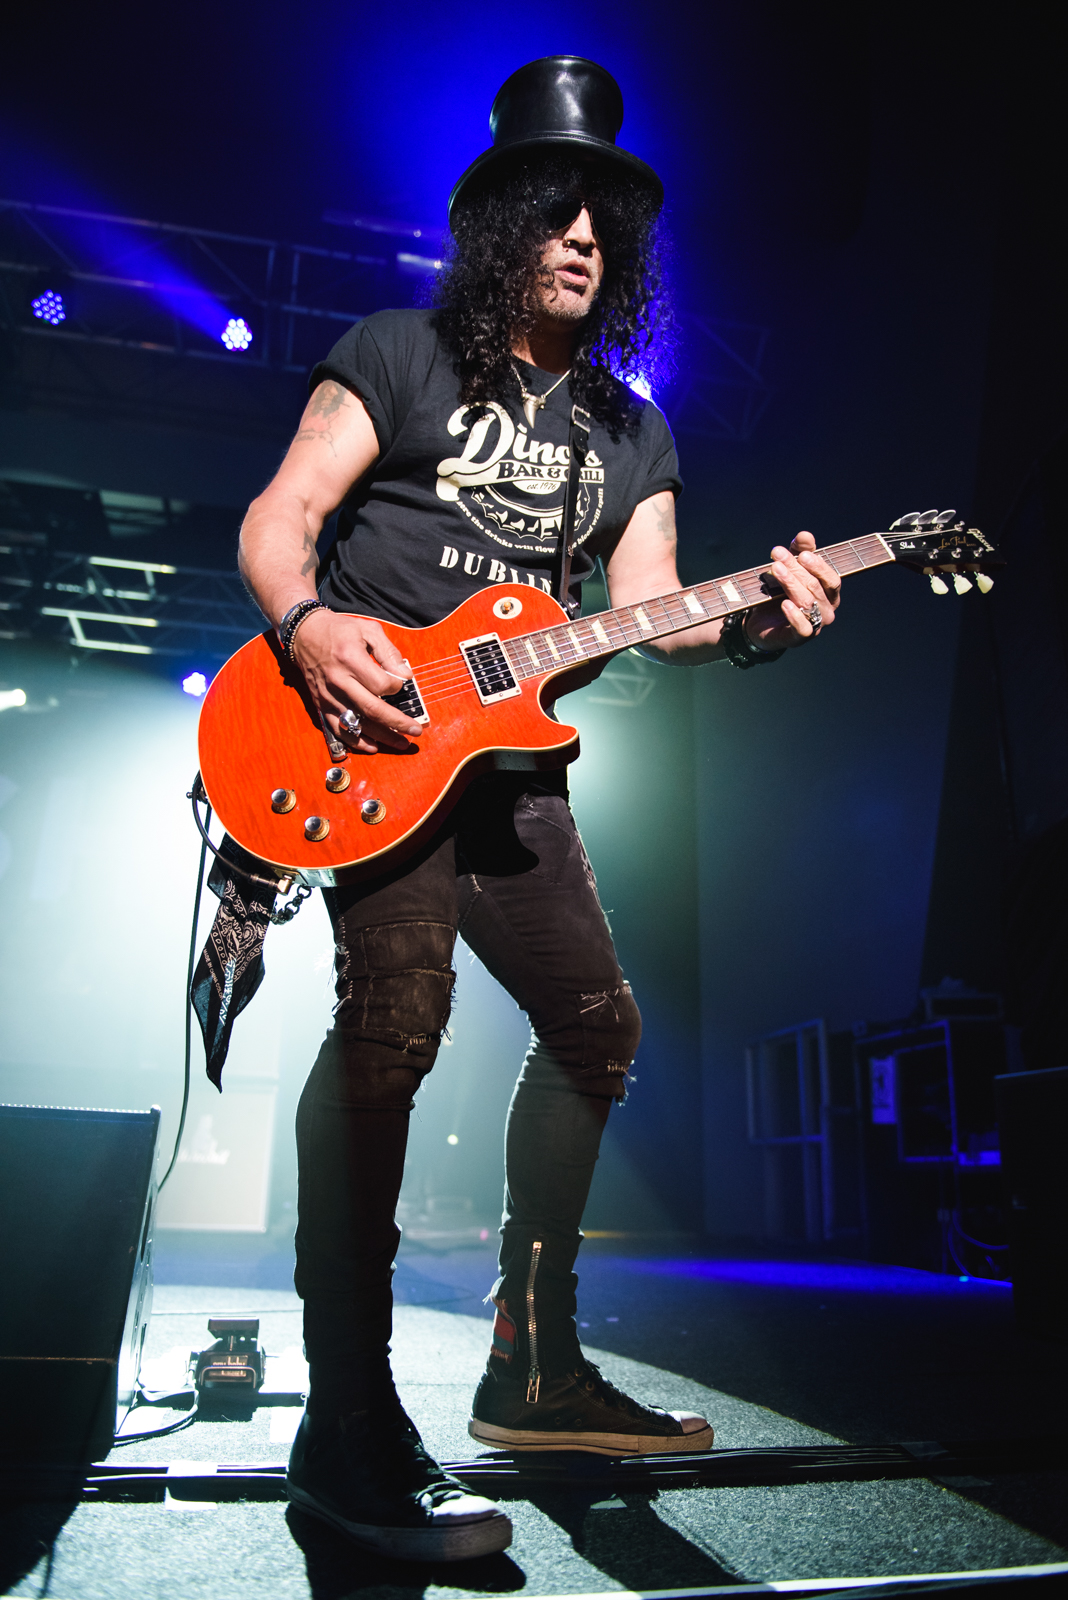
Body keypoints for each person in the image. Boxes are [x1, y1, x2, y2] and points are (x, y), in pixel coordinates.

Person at [236, 56, 841, 1562]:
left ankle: (533, 1367)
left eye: (605, 219)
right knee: (395, 1024)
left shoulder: (632, 433)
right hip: (372, 740)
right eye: (556, 208)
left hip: (513, 772)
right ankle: (346, 1418)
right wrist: (311, 625)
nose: (583, 234)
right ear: (503, 221)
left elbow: (658, 612)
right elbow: (281, 517)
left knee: (596, 1027)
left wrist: (759, 622)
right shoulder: (397, 353)